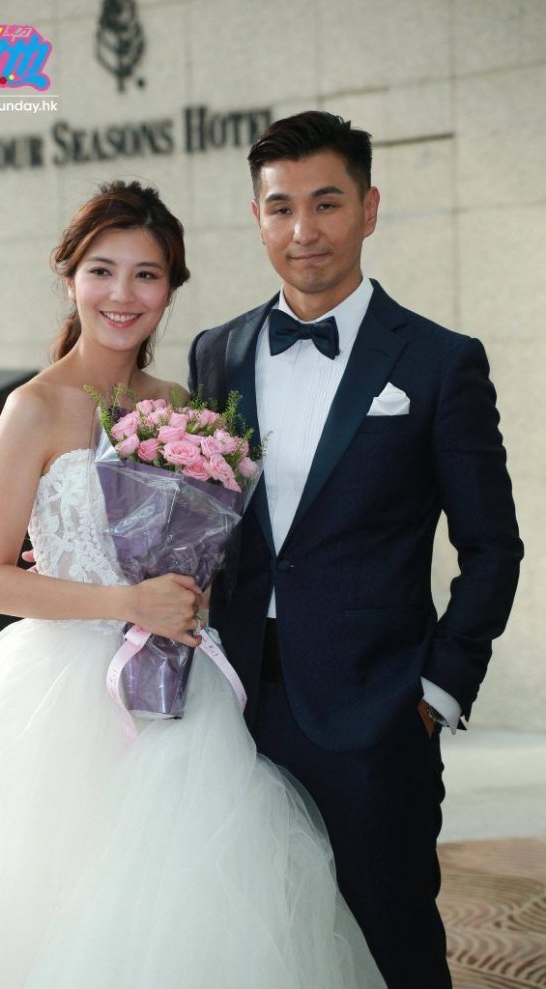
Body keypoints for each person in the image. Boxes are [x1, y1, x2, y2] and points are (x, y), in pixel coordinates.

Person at [0, 181, 385, 988]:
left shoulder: (181, 408)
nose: (123, 294)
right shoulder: (32, 408)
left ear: (170, 289)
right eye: (102, 270)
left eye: (147, 275)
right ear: (70, 278)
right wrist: (124, 602)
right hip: (61, 695)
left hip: (178, 691)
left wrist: (191, 593)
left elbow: (200, 548)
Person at [188, 111, 523, 989]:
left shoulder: (441, 361)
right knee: (260, 944)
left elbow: (493, 546)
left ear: (369, 209)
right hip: (234, 709)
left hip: (378, 713)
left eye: (327, 203)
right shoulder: (216, 352)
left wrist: (439, 689)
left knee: (391, 943)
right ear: (257, 217)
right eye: (281, 207)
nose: (304, 229)